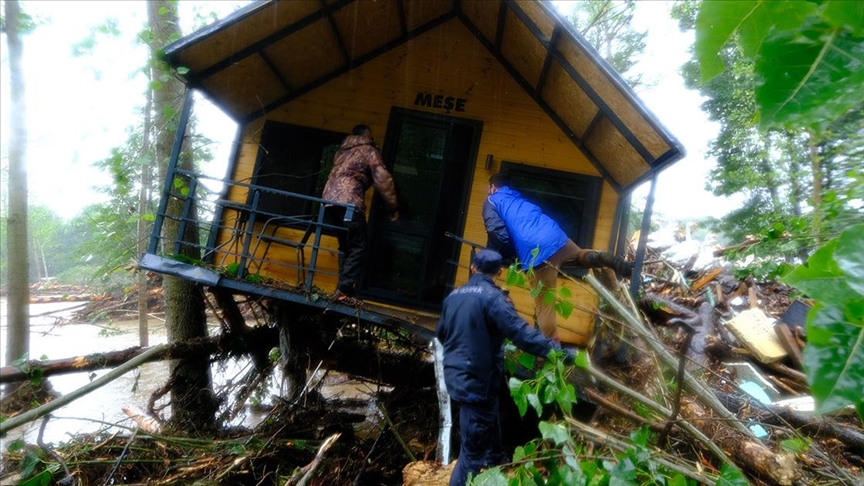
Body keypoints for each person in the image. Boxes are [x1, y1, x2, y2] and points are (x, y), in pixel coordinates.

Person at [436, 249, 574, 486]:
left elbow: (441, 333)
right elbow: (523, 335)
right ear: (500, 272)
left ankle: (497, 460)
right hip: (476, 383)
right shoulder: (494, 299)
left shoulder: (454, 296)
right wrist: (560, 353)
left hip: (457, 377)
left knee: (490, 415)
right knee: (471, 456)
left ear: (472, 268)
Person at [483, 171, 632, 340]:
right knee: (579, 257)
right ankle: (600, 257)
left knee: (544, 307)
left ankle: (553, 353)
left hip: (536, 252)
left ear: (493, 187)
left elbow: (495, 231)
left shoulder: (491, 200)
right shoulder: (518, 199)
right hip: (556, 236)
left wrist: (511, 254)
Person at [322, 124, 399, 302]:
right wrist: (393, 207)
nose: (372, 139)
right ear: (366, 135)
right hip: (349, 203)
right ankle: (344, 288)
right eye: (370, 137)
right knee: (359, 246)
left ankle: (343, 289)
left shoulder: (342, 151)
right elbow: (383, 179)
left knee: (345, 246)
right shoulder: (368, 150)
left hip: (328, 202)